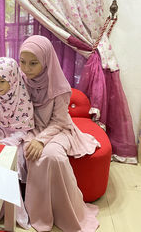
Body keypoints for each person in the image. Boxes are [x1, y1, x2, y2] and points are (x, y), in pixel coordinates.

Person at [19, 35, 100, 232]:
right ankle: (35, 213)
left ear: (46, 62)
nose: (26, 68)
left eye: (33, 63)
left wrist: (40, 140)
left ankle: (67, 213)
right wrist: (30, 136)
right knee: (26, 155)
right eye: (22, 62)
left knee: (52, 157)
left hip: (58, 129)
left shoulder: (60, 87)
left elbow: (59, 121)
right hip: (29, 128)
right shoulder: (20, 80)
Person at [0, 57, 34, 230]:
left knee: (8, 163)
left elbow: (24, 129)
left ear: (13, 79)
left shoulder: (22, 97)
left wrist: (7, 141)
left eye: (2, 81)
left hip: (17, 140)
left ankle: (14, 212)